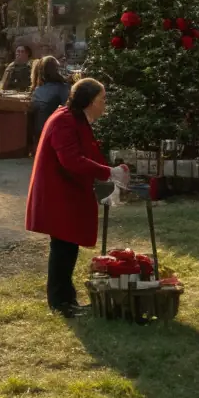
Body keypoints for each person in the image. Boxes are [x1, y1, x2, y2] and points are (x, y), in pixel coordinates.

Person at [24, 79, 129, 317]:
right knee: (63, 247)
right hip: (57, 193)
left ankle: (66, 298)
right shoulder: (64, 120)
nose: (105, 105)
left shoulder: (76, 119)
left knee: (67, 246)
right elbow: (70, 160)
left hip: (66, 191)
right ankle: (60, 302)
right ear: (90, 102)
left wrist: (111, 175)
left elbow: (89, 152)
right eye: (102, 100)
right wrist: (108, 172)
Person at [29, 56, 71, 154]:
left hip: (39, 132)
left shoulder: (38, 89)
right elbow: (69, 108)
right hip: (53, 132)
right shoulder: (61, 87)